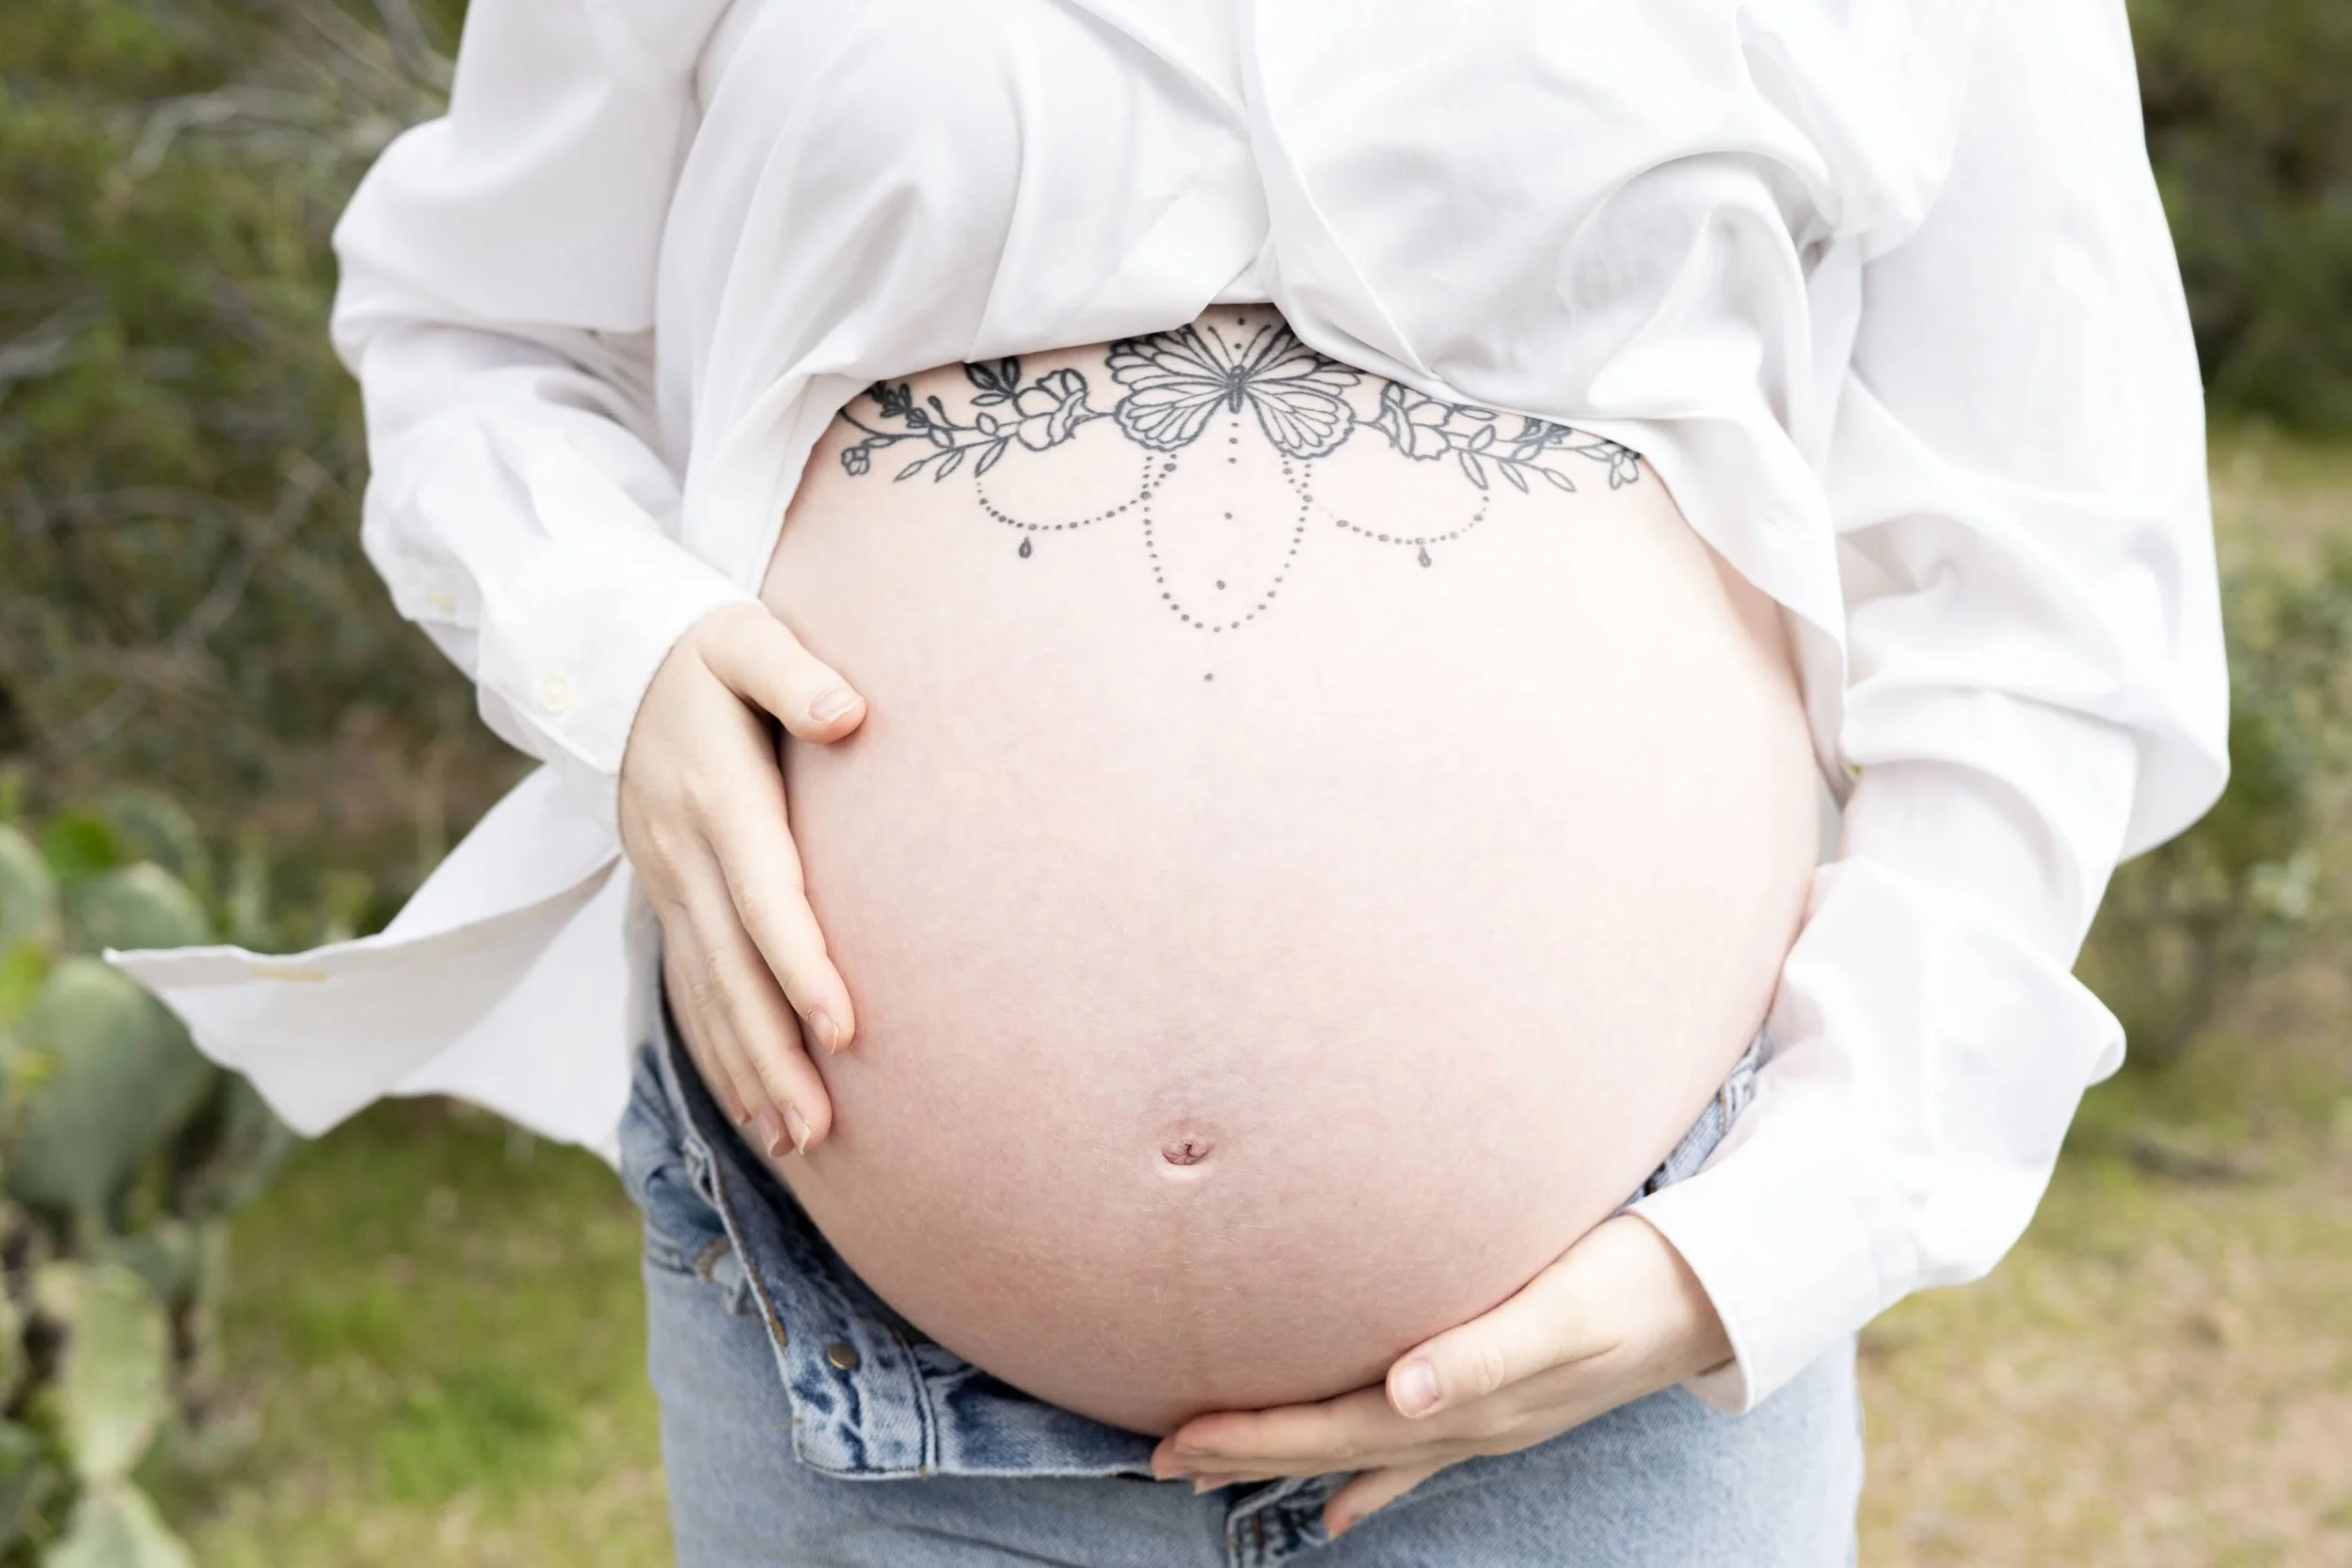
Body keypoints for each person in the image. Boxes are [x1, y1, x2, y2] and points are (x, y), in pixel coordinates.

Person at [117, 1, 2226, 1562]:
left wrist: (1760, 1242)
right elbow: (483, 335)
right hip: (851, 1385)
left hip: (1601, 1400)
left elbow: (2045, 599)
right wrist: (626, 642)